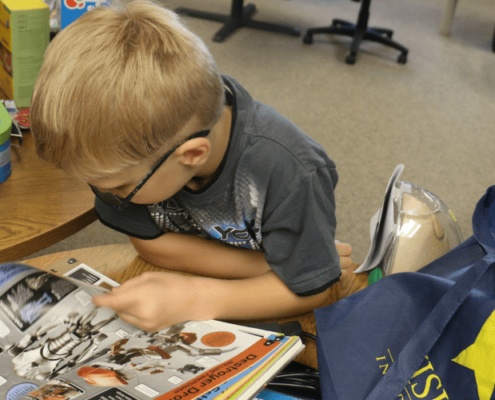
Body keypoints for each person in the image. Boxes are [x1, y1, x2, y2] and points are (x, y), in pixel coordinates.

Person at [31, 0, 355, 332]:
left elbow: (319, 290)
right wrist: (272, 266)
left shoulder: (291, 171)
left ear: (191, 154)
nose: (106, 193)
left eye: (119, 188)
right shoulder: (141, 155)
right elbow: (150, 243)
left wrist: (198, 298)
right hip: (256, 272)